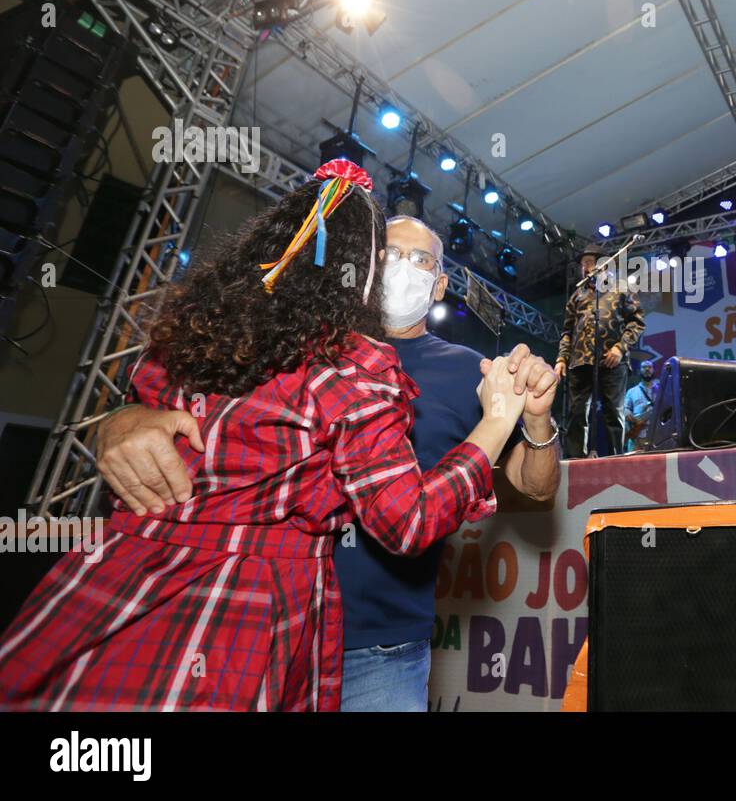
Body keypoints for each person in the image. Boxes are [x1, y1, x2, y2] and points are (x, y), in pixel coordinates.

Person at [0, 161, 542, 711]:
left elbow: (532, 485)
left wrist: (529, 421)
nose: (400, 270)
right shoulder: (349, 365)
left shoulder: (209, 331)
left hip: (136, 590)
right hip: (253, 614)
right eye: (386, 256)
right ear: (361, 267)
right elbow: (409, 520)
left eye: (418, 259)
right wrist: (494, 423)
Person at [555, 244, 645, 457]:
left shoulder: (621, 288)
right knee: (577, 413)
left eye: (589, 262)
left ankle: (617, 458)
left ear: (603, 264)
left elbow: (637, 322)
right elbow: (567, 330)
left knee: (614, 412)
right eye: (583, 264)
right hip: (580, 362)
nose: (585, 268)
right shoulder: (576, 296)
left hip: (611, 360)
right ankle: (577, 459)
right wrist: (561, 358)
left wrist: (620, 348)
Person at [623, 360, 659, 451]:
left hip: (657, 435)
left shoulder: (661, 390)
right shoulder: (631, 391)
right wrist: (626, 412)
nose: (647, 369)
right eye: (644, 367)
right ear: (639, 371)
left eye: (650, 367)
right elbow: (625, 408)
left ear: (653, 370)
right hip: (636, 435)